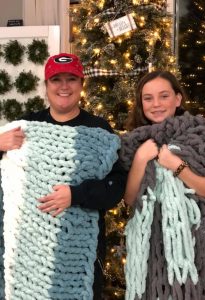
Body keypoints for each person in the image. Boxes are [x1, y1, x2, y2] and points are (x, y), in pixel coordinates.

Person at [0, 53, 127, 299]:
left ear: (81, 84)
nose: (64, 86)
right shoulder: (26, 127)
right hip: (28, 252)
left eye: (71, 79)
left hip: (78, 255)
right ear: (46, 85)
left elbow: (116, 187)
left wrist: (76, 194)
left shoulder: (98, 131)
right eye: (56, 79)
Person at [120, 70, 205, 300]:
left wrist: (175, 165)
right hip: (149, 240)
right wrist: (140, 159)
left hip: (195, 241)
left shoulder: (201, 137)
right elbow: (129, 198)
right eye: (148, 98)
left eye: (164, 96)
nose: (156, 104)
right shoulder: (132, 143)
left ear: (178, 98)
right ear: (141, 103)